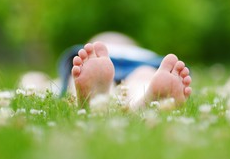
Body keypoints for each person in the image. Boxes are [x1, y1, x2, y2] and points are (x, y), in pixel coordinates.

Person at [58, 32, 192, 110]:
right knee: (143, 74)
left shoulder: (92, 55)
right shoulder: (140, 52)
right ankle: (143, 102)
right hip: (139, 60)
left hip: (96, 61)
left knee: (77, 76)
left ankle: (96, 100)